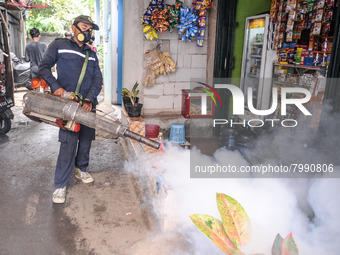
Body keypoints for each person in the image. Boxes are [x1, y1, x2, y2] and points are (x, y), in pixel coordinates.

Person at [38, 15, 102, 204]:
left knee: (86, 140)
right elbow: (43, 68)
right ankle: (60, 185)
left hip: (88, 105)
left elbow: (98, 79)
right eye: (84, 27)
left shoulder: (92, 53)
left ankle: (80, 168)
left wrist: (90, 99)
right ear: (73, 28)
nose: (87, 31)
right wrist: (56, 87)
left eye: (90, 29)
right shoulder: (59, 45)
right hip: (68, 105)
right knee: (68, 143)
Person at [25, 28, 48, 92]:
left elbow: (27, 59)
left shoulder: (28, 46)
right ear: (39, 35)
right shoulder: (43, 45)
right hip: (43, 70)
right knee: (46, 89)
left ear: (30, 36)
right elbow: (48, 58)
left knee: (36, 90)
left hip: (34, 71)